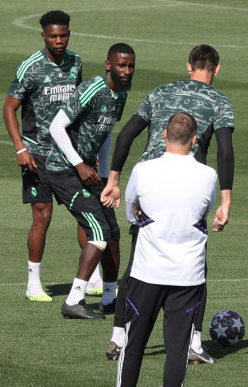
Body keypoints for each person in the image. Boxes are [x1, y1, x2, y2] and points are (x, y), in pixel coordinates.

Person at [100, 44, 234, 363]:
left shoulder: (161, 92)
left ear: (189, 66)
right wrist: (225, 200)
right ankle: (193, 344)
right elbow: (225, 151)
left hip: (148, 182)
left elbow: (125, 136)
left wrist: (114, 180)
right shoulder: (220, 102)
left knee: (136, 266)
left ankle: (118, 338)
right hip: (188, 186)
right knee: (194, 267)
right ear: (217, 69)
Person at [110, 112, 217, 387]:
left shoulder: (143, 170)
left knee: (133, 346)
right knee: (177, 350)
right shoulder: (208, 175)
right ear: (195, 141)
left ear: (163, 136)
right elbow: (204, 210)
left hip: (146, 272)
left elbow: (131, 211)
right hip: (188, 275)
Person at [3, 10, 103, 301]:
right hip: (38, 154)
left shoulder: (76, 62)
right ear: (43, 35)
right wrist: (20, 148)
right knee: (42, 216)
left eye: (64, 35)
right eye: (53, 36)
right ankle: (33, 283)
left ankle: (94, 278)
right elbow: (9, 108)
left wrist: (88, 149)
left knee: (86, 214)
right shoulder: (30, 68)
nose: (59, 40)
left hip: (71, 155)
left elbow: (80, 107)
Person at [46, 43, 136, 319]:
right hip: (62, 170)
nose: (127, 71)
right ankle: (74, 300)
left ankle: (110, 298)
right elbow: (55, 127)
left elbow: (105, 134)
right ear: (108, 65)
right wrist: (79, 164)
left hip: (90, 172)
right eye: (121, 65)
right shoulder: (91, 89)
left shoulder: (120, 94)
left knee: (112, 231)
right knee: (97, 231)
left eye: (131, 66)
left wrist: (108, 175)